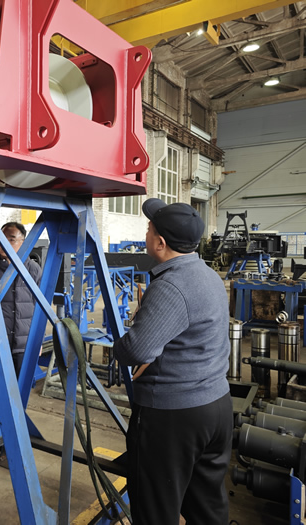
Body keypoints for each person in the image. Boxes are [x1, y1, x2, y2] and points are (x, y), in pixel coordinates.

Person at [112, 198, 233, 525]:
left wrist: (119, 345)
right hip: (216, 406)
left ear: (160, 243)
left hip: (174, 417)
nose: (146, 233)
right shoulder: (208, 275)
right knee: (206, 507)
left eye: (149, 229)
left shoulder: (170, 286)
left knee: (156, 511)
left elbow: (136, 350)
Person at [0, 222, 42, 466]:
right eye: (1, 237)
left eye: (11, 238)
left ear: (23, 241)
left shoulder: (32, 268)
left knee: (15, 401)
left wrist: (37, 340)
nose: (4, 243)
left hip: (22, 346)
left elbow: (40, 306)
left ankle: (7, 447)